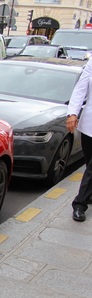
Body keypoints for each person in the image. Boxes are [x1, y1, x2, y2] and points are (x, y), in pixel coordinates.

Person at [66, 58, 92, 222]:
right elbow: (80, 88)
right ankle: (89, 194)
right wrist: (72, 113)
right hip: (90, 124)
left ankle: (79, 204)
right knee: (89, 163)